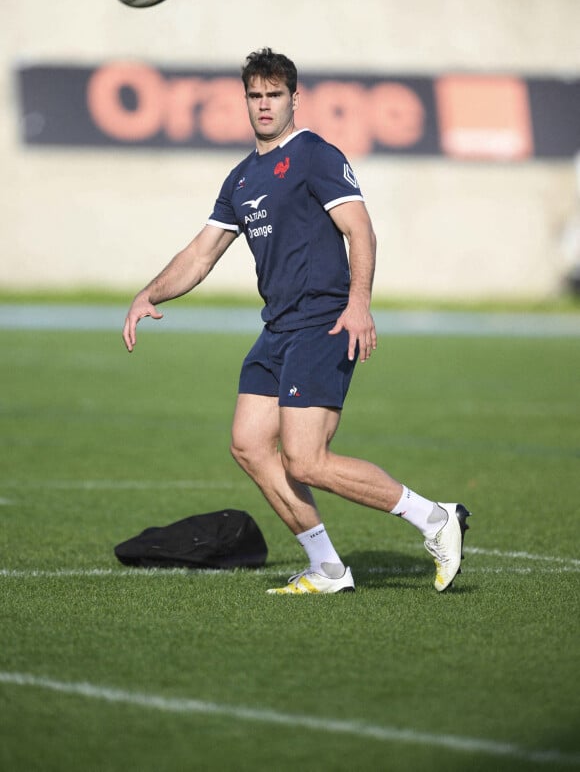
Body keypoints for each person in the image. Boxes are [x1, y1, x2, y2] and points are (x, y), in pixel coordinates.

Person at [122, 47, 470, 594]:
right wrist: (149, 292)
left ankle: (436, 518)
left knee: (306, 460)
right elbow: (202, 252)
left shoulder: (313, 155)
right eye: (255, 96)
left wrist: (359, 304)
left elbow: (361, 230)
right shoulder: (240, 178)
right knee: (249, 444)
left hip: (324, 321)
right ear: (245, 101)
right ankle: (328, 568)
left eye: (274, 95)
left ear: (294, 99)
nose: (264, 105)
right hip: (278, 327)